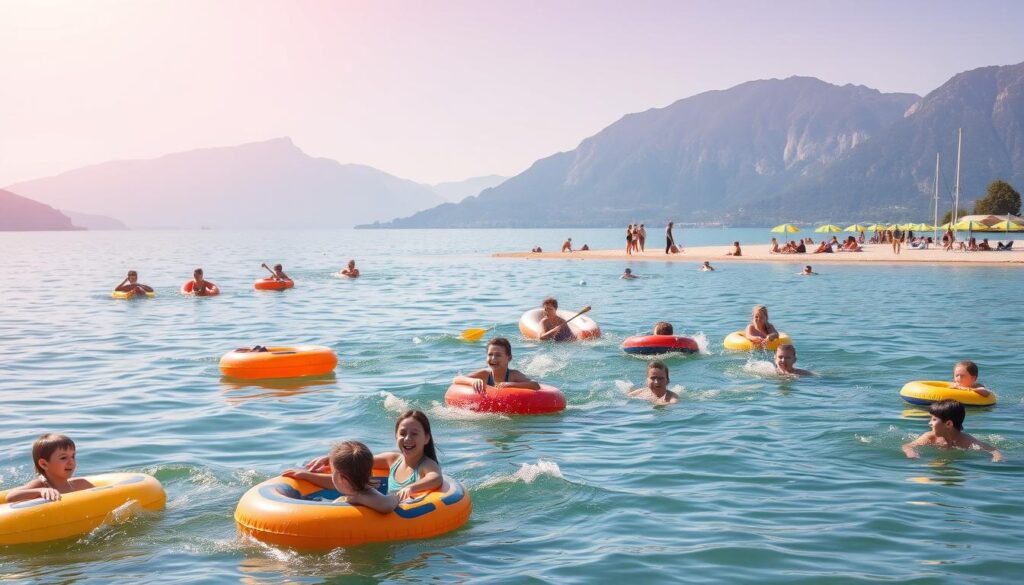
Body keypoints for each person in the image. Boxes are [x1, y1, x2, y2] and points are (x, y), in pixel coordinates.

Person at [298, 410, 445, 507]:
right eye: (402, 433)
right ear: (396, 436)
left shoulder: (426, 465)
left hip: (399, 511)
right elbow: (355, 464)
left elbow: (435, 477)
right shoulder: (393, 459)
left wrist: (411, 487)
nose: (407, 439)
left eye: (414, 434)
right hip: (382, 504)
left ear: (426, 438)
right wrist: (329, 459)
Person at [5, 433, 95, 502]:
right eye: (63, 458)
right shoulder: (41, 485)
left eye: (73, 456)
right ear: (44, 464)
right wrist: (40, 491)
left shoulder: (81, 484)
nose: (71, 461)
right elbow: (11, 496)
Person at [902, 400, 1002, 461]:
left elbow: (992, 450)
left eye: (934, 419)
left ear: (949, 424)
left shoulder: (967, 441)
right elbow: (907, 446)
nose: (929, 423)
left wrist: (997, 458)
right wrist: (911, 453)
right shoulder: (930, 437)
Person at [452, 337, 540, 394]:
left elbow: (535, 385)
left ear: (509, 358)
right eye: (490, 354)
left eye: (498, 355)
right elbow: (456, 379)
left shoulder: (513, 375)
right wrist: (472, 381)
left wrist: (510, 384)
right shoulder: (485, 374)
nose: (493, 358)